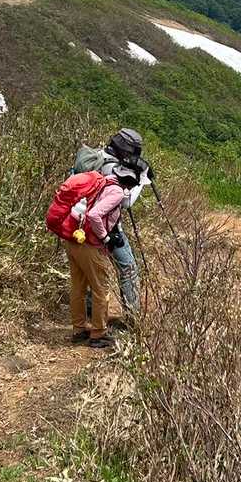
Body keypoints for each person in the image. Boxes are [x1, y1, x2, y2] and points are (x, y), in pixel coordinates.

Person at [71, 127, 152, 319]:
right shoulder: (112, 168)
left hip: (80, 222)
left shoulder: (97, 156)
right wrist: (142, 180)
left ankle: (89, 313)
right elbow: (126, 202)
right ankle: (132, 317)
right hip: (105, 228)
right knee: (128, 267)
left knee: (91, 271)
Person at [60, 163, 138, 349]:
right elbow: (94, 215)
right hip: (90, 244)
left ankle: (78, 330)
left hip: (74, 239)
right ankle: (98, 334)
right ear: (129, 183)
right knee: (101, 288)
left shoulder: (100, 181)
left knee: (78, 287)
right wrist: (105, 237)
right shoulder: (117, 192)